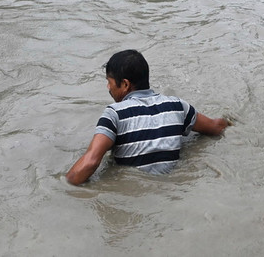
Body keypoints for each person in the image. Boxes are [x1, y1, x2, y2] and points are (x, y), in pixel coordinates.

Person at [66, 49, 229, 185]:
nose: (108, 87)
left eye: (109, 81)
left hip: (134, 193)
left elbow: (91, 162)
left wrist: (64, 185)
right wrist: (232, 121)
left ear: (125, 84)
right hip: (172, 188)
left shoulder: (114, 114)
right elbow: (216, 127)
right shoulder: (178, 106)